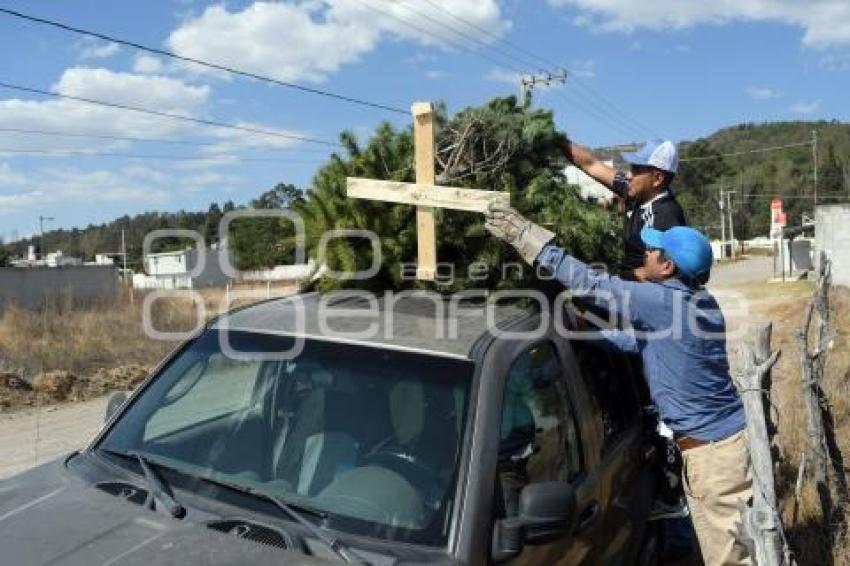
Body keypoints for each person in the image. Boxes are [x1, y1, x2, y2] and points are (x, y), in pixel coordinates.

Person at [484, 205, 753, 566]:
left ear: (668, 267)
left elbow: (592, 285)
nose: (646, 252)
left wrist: (530, 239)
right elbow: (642, 342)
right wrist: (588, 334)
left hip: (713, 458)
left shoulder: (660, 301)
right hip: (730, 443)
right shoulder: (700, 302)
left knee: (730, 559)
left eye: (653, 250)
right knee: (743, 547)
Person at [562, 137, 687, 281]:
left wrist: (610, 278)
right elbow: (591, 164)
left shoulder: (663, 217)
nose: (628, 175)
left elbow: (655, 273)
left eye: (636, 170)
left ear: (657, 179)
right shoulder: (637, 191)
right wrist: (557, 139)